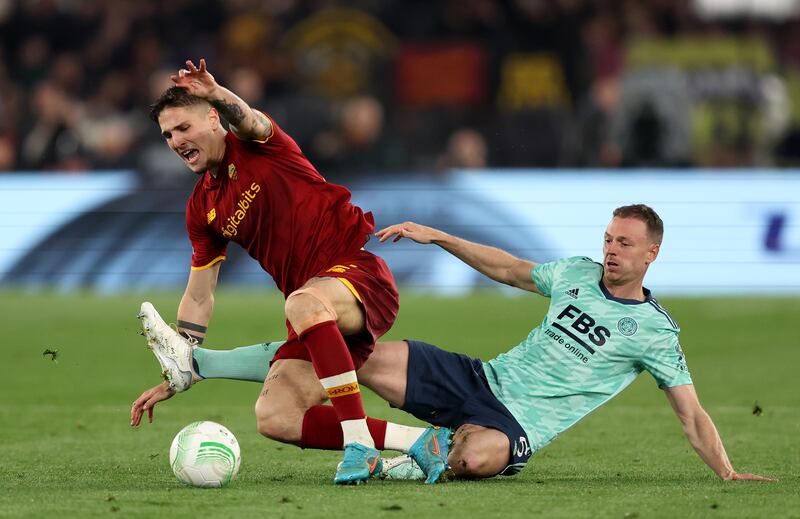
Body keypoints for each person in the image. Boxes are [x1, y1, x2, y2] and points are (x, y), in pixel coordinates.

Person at [132, 204, 774, 482]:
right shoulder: (576, 273)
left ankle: (413, 457)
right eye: (607, 238)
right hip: (477, 379)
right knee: (345, 347)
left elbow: (689, 411)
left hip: (515, 423)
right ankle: (202, 365)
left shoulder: (656, 333)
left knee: (479, 458)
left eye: (624, 243)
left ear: (652, 253)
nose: (609, 249)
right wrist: (440, 237)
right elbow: (507, 268)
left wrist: (726, 471)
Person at [145, 58, 448, 485]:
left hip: (357, 275)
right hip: (314, 310)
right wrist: (184, 356)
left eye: (184, 128)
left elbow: (247, 118)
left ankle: (360, 444)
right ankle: (421, 441)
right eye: (168, 135)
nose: (176, 141)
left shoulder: (258, 145)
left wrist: (216, 91)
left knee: (301, 302)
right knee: (275, 417)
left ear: (213, 118)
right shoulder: (202, 207)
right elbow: (199, 294)